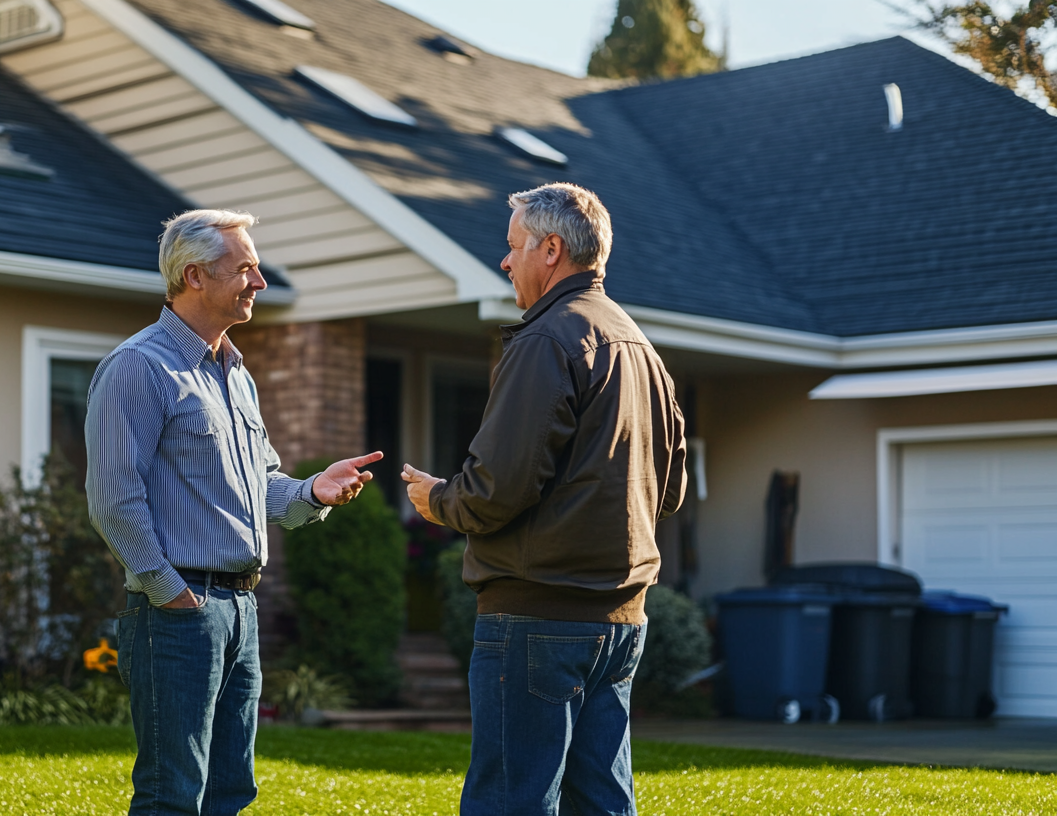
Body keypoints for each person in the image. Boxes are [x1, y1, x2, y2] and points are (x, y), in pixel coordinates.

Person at [402, 183, 687, 816]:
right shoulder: (640, 347)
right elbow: (670, 490)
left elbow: (498, 488)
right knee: (602, 804)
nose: (505, 262)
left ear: (550, 250)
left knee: (511, 801)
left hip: (535, 619)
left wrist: (439, 499)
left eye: (512, 247)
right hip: (621, 624)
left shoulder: (546, 339)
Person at [85, 209, 382, 816]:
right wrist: (170, 592)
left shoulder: (235, 374)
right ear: (193, 275)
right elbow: (115, 498)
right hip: (178, 612)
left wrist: (311, 493)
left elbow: (258, 483)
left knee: (230, 793)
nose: (259, 281)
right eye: (244, 268)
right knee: (173, 793)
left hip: (240, 610)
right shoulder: (139, 367)